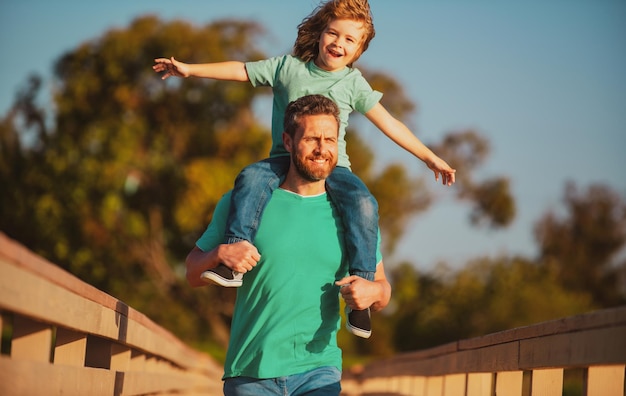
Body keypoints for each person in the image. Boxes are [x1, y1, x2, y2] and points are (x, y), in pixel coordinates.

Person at [154, 0, 454, 338]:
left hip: (334, 166)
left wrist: (430, 157)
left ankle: (361, 295)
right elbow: (241, 70)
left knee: (364, 203)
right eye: (333, 33)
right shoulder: (288, 68)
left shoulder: (353, 84)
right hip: (284, 158)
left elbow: (390, 123)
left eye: (350, 40)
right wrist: (190, 70)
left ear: (359, 50)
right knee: (250, 178)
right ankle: (232, 258)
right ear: (321, 32)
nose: (339, 44)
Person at [186, 95, 391, 396]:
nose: (322, 149)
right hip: (250, 374)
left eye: (330, 140)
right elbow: (192, 272)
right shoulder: (241, 203)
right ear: (288, 141)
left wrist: (373, 291)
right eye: (311, 139)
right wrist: (219, 254)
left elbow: (383, 291)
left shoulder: (355, 216)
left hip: (319, 372)